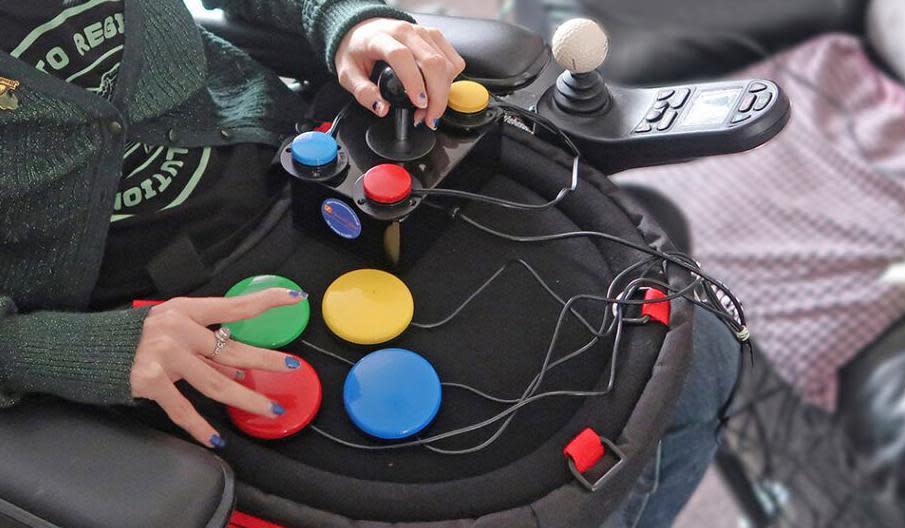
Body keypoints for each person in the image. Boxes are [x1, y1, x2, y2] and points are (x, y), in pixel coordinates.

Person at [0, 1, 738, 526]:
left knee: (693, 350)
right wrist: (75, 352)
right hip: (156, 320)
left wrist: (350, 20)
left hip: (300, 168)